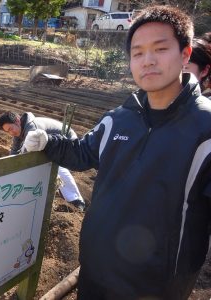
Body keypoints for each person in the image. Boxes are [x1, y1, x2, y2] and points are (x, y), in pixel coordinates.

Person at [22, 6, 211, 299]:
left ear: (185, 54)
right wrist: (48, 142)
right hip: (95, 270)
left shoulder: (206, 129)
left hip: (156, 286)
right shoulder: (119, 117)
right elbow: (82, 153)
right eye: (137, 53)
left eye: (160, 49)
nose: (147, 60)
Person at [0, 111, 86, 212]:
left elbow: (27, 154)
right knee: (42, 162)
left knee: (56, 165)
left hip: (68, 142)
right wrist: (10, 169)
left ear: (17, 121)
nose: (11, 132)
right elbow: (14, 151)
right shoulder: (18, 131)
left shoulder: (32, 128)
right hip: (52, 143)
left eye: (10, 129)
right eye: (7, 131)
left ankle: (76, 200)